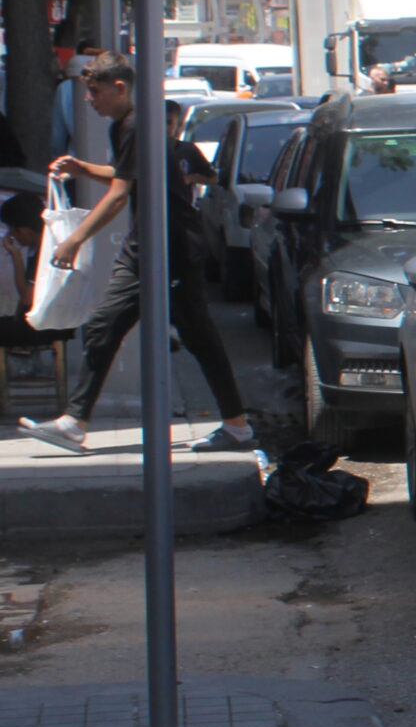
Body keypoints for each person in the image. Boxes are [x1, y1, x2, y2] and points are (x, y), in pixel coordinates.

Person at [18, 56, 256, 455]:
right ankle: (74, 422)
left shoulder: (138, 126)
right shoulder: (125, 127)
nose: (90, 101)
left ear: (120, 88)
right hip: (144, 248)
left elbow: (118, 196)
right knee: (103, 326)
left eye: (95, 92)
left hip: (172, 249)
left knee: (199, 338)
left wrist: (74, 239)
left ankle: (237, 427)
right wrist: (82, 168)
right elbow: (123, 175)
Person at [1, 191, 74, 355]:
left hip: (47, 327)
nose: (10, 235)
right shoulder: (49, 244)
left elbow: (27, 298)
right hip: (56, 322)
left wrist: (16, 257)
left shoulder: (46, 251)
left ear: (23, 230)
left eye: (12, 231)